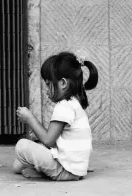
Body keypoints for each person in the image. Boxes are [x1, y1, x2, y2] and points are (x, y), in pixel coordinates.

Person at [13, 51, 98, 181]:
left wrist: (29, 118)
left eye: (48, 84)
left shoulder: (64, 106)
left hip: (66, 170)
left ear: (63, 83)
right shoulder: (74, 103)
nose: (46, 89)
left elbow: (48, 140)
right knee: (17, 165)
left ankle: (47, 172)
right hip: (76, 168)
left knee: (22, 146)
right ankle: (42, 170)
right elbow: (54, 142)